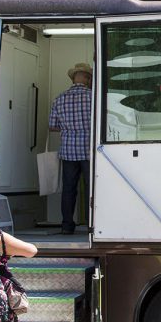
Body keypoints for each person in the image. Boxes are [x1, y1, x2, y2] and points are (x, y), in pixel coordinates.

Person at [49, 62, 93, 234]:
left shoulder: (59, 99)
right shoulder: (93, 98)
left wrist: (69, 128)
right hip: (89, 151)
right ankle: (91, 224)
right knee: (91, 188)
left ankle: (67, 225)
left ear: (73, 78)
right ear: (87, 79)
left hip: (68, 151)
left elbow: (52, 126)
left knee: (68, 189)